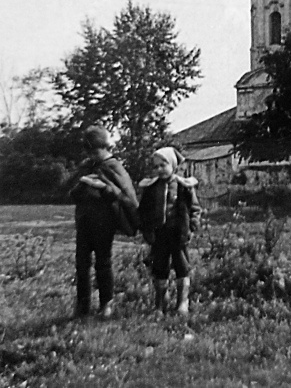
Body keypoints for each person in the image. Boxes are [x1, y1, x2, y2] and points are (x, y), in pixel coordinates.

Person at [68, 125, 138, 319]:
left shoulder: (113, 166)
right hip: (84, 222)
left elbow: (125, 196)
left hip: (104, 223)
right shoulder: (86, 166)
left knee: (103, 263)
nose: (92, 156)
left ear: (106, 147)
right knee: (82, 264)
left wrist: (104, 188)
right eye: (89, 153)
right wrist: (82, 184)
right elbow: (72, 193)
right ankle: (82, 305)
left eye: (95, 152)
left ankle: (106, 303)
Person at [137, 147, 201, 316]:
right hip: (159, 235)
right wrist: (146, 229)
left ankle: (182, 302)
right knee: (159, 267)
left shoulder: (183, 186)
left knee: (182, 266)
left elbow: (194, 209)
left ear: (173, 165)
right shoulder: (151, 188)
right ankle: (160, 303)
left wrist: (192, 226)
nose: (159, 169)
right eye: (156, 166)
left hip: (178, 234)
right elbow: (144, 211)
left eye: (163, 165)